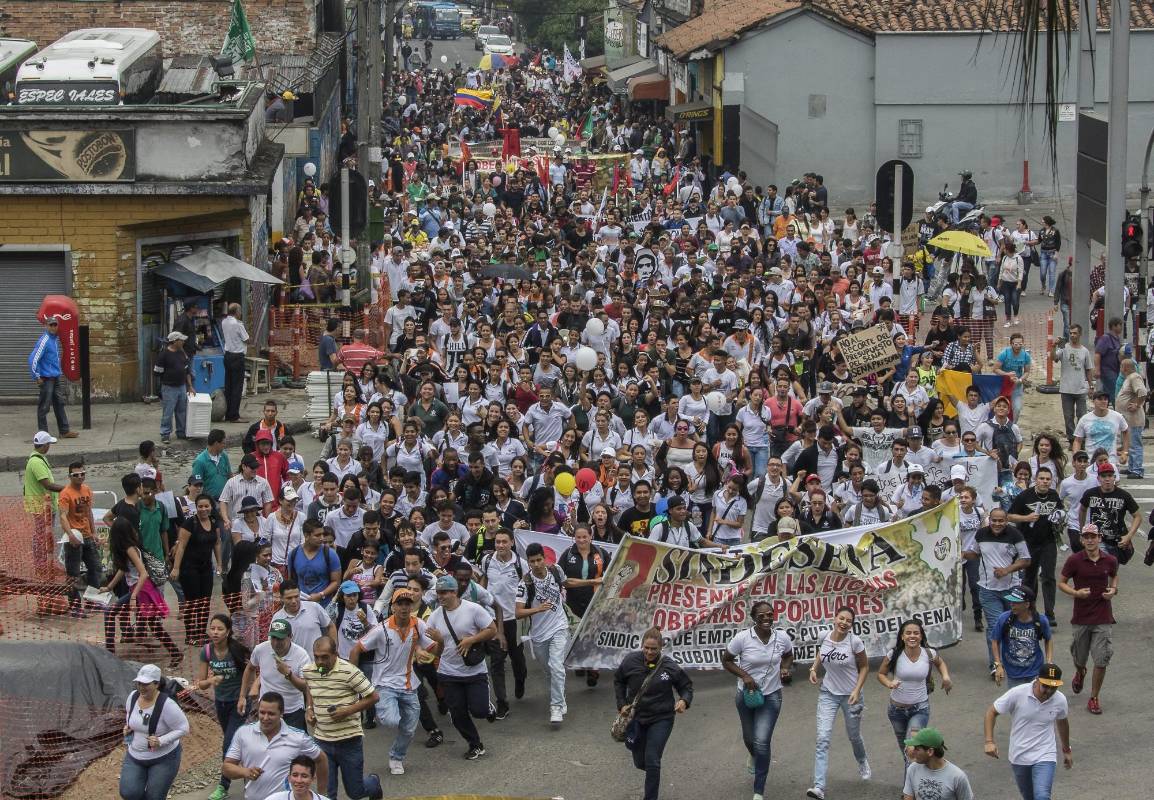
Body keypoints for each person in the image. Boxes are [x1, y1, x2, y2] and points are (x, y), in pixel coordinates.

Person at [350, 587, 441, 775]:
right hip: (384, 685)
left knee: (409, 729)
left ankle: (396, 757)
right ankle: (380, 710)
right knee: (392, 721)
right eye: (400, 603)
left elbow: (435, 651)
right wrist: (354, 679)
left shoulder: (418, 625)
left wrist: (442, 642)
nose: (404, 607)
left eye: (408, 604)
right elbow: (356, 649)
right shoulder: (381, 629)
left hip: (409, 685)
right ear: (393, 607)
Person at [722, 600, 794, 800]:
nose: (766, 618)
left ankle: (758, 791)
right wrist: (744, 676)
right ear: (754, 618)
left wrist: (785, 668)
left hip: (772, 695)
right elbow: (726, 660)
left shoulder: (782, 637)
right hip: (746, 695)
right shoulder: (743, 638)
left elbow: (789, 655)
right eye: (761, 616)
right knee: (749, 739)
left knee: (762, 741)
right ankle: (754, 756)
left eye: (769, 614)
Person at [614, 627, 693, 800]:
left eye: (654, 649)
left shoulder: (669, 666)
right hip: (636, 719)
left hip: (661, 718)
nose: (649, 652)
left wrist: (683, 701)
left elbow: (686, 687)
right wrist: (621, 705)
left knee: (652, 761)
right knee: (640, 762)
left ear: (661, 648)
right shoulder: (630, 661)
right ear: (642, 646)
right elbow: (619, 681)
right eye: (646, 648)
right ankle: (651, 769)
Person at [302, 636, 383, 800]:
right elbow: (310, 687)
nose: (320, 661)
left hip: (349, 741)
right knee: (327, 794)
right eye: (316, 656)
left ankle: (374, 783)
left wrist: (347, 711)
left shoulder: (349, 671)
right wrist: (309, 709)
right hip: (322, 741)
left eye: (325, 657)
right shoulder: (309, 671)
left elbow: (373, 697)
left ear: (335, 654)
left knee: (355, 792)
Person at [427, 574, 498, 759]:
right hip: (449, 672)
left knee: (479, 711)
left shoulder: (473, 609)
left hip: (474, 670)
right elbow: (435, 652)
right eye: (438, 593)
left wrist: (471, 640)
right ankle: (475, 744)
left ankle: (488, 708)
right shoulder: (434, 617)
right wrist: (440, 642)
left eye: (444, 593)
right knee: (457, 714)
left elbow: (492, 630)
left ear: (455, 592)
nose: (440, 596)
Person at [806, 606, 871, 800]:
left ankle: (862, 760)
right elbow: (821, 652)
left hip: (851, 695)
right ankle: (819, 787)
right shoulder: (823, 635)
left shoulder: (855, 642)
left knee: (853, 736)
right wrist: (814, 668)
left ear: (851, 625)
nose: (844, 623)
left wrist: (857, 691)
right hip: (828, 693)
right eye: (841, 618)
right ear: (834, 618)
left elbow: (865, 667)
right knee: (822, 738)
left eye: (848, 621)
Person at [984, 664, 1072, 800]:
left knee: (1042, 796)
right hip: (1020, 755)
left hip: (1045, 753)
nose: (1048, 691)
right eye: (1045, 686)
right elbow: (992, 712)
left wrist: (1066, 750)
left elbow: (1062, 722)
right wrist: (989, 741)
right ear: (1037, 679)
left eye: (1053, 687)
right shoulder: (1018, 693)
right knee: (1029, 797)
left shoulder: (1060, 700)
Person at [1058, 523, 1118, 715]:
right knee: (1079, 656)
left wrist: (1113, 590)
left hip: (1103, 617)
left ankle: (1094, 697)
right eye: (1087, 537)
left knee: (1101, 660)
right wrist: (1076, 593)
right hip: (1081, 617)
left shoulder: (1110, 559)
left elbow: (1114, 577)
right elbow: (1061, 582)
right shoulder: (1075, 560)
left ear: (1100, 538)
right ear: (1082, 540)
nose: (1090, 540)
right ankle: (1080, 671)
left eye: (1094, 537)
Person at [964, 507, 1031, 677]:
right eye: (994, 520)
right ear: (989, 520)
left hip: (1012, 589)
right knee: (994, 626)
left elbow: (1026, 559)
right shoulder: (981, 535)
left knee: (1012, 625)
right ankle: (996, 664)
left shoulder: (1015, 535)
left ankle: (1014, 658)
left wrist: (1007, 570)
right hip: (988, 590)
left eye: (1001, 521)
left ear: (1006, 521)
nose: (997, 524)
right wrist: (958, 553)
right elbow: (974, 553)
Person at [224, 691, 328, 800]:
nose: (265, 718)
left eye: (271, 714)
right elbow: (227, 767)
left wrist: (321, 795)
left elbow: (321, 759)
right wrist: (245, 772)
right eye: (262, 712)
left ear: (282, 713)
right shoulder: (243, 733)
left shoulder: (298, 738)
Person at [876, 619, 952, 765]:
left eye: (916, 633)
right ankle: (915, 781)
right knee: (906, 753)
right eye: (908, 633)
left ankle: (909, 788)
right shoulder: (894, 654)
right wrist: (889, 683)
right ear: (902, 637)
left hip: (919, 709)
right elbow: (880, 674)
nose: (912, 636)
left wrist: (946, 677)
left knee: (912, 751)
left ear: (921, 636)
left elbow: (940, 663)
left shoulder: (929, 653)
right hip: (896, 711)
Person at [515, 542, 570, 725]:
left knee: (556, 666)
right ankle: (560, 698)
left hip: (559, 626)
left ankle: (555, 706)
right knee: (549, 671)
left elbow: (566, 582)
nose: (537, 565)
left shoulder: (556, 571)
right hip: (538, 634)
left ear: (544, 558)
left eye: (539, 560)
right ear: (528, 562)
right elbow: (518, 612)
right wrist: (537, 610)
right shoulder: (525, 583)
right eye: (532, 562)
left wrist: (594, 581)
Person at [198, 614, 251, 800]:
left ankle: (223, 786)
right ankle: (251, 775)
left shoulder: (237, 650)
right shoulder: (206, 651)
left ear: (228, 632)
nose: (215, 632)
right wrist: (211, 680)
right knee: (237, 743)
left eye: (220, 629)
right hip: (220, 703)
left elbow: (250, 673)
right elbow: (200, 684)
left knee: (228, 744)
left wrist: (245, 695)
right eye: (212, 628)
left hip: (239, 702)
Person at [120, 663, 189, 800]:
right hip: (135, 756)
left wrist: (161, 740)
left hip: (164, 758)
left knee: (154, 797)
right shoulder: (133, 696)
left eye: (145, 684)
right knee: (128, 792)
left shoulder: (167, 705)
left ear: (156, 684)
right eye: (139, 683)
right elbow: (129, 715)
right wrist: (127, 727)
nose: (141, 687)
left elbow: (183, 728)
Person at [479, 529, 529, 716]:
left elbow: (527, 588)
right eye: (497, 542)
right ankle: (502, 702)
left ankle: (520, 679)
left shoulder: (521, 564)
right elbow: (483, 582)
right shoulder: (487, 561)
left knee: (517, 658)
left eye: (504, 542)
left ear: (511, 543)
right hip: (492, 619)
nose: (500, 545)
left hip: (514, 619)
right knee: (496, 661)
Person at [239, 620, 313, 729]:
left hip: (292, 712)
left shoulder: (302, 656)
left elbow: (306, 686)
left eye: (280, 638)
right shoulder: (261, 649)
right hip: (266, 711)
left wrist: (288, 674)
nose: (276, 642)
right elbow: (250, 668)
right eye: (273, 638)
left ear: (290, 636)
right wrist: (242, 696)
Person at [59, 459, 101, 612]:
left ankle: (92, 601)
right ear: (70, 476)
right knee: (73, 574)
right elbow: (63, 516)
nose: (80, 477)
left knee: (96, 568)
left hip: (88, 536)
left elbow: (88, 512)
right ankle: (75, 606)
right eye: (76, 475)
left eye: (82, 474)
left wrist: (94, 533)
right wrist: (70, 534)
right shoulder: (65, 493)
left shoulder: (87, 490)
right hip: (74, 538)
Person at [991, 586, 1053, 688]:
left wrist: (1049, 662)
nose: (1012, 605)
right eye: (1011, 602)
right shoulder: (1004, 619)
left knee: (1034, 700)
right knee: (1016, 702)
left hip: (1035, 671)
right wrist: (998, 665)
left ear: (1027, 604)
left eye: (1016, 602)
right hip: (1013, 674)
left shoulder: (1041, 620)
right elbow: (995, 641)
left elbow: (1048, 639)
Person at [25, 431, 64, 581]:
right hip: (41, 506)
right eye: (49, 444)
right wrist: (67, 488)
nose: (50, 447)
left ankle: (46, 563)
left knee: (44, 535)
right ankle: (41, 565)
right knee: (42, 536)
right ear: (45, 445)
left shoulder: (39, 459)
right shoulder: (36, 462)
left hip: (45, 505)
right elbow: (47, 484)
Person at [28, 315, 76, 438]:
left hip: (55, 378)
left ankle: (64, 431)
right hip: (46, 379)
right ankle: (43, 435)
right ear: (46, 326)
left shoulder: (54, 339)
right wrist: (37, 376)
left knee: (59, 403)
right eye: (51, 325)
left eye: (55, 325)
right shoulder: (44, 341)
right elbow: (33, 359)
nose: (53, 327)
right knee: (44, 407)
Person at [901, 728, 973, 800]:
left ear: (930, 751)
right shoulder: (913, 768)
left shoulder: (957, 777)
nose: (913, 751)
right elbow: (908, 798)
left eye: (917, 749)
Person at [1050, 323, 1093, 444]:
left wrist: (1091, 386)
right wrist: (1053, 346)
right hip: (1066, 389)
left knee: (1082, 416)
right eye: (1071, 333)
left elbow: (1089, 369)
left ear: (1080, 334)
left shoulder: (1085, 351)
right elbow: (1053, 358)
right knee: (1068, 417)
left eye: (1075, 333)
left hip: (1080, 389)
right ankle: (1071, 439)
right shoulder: (1064, 348)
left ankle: (1081, 440)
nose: (1072, 335)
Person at [155, 330, 195, 444]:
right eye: (181, 340)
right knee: (168, 411)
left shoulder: (182, 353)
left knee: (181, 411)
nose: (183, 342)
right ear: (174, 341)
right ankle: (165, 433)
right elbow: (157, 372)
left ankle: (181, 432)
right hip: (169, 388)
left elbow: (187, 371)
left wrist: (190, 386)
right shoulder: (163, 355)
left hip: (182, 386)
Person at [1116, 358, 1147, 478]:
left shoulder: (1134, 377)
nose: (1120, 369)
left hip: (1134, 419)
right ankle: (1132, 467)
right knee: (1129, 444)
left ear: (1125, 367)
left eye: (1121, 366)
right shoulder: (1129, 378)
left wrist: (1137, 404)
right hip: (1128, 420)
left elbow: (1142, 392)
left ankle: (1137, 470)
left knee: (1135, 445)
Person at [221, 302, 249, 422]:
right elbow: (246, 338)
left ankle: (228, 413)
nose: (241, 313)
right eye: (240, 311)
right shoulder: (238, 324)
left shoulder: (224, 322)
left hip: (227, 356)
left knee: (229, 386)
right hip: (237, 357)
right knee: (237, 387)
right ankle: (234, 415)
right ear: (237, 312)